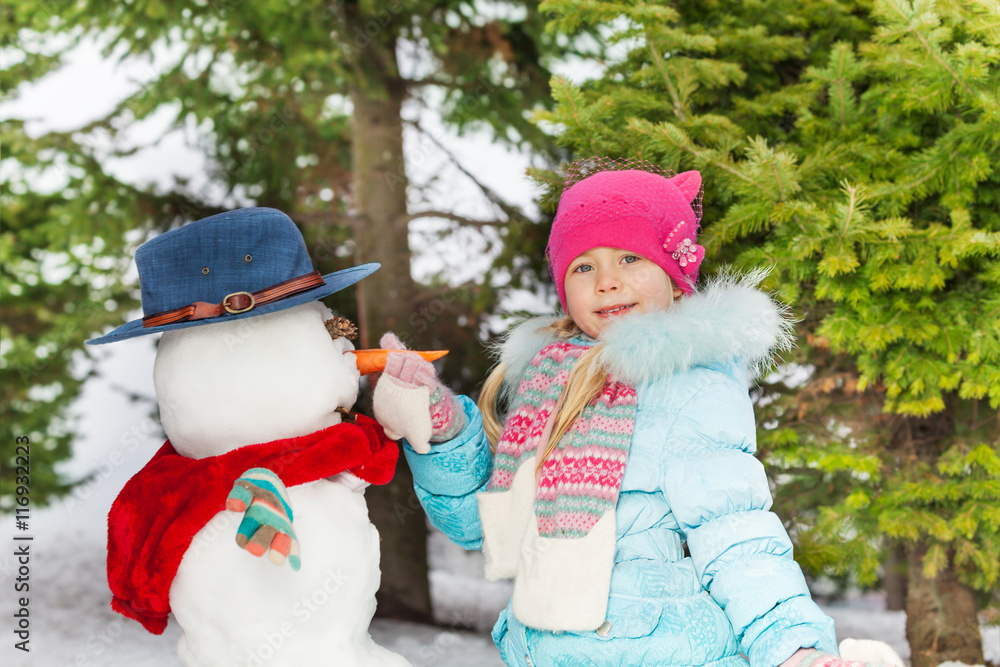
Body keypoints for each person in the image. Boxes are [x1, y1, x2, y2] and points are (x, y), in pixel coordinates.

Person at [372, 159, 902, 667]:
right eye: (584, 266)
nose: (607, 281)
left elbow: (735, 532)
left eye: (629, 257)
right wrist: (446, 431)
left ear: (675, 276)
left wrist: (792, 648)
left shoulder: (689, 388)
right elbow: (477, 528)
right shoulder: (549, 384)